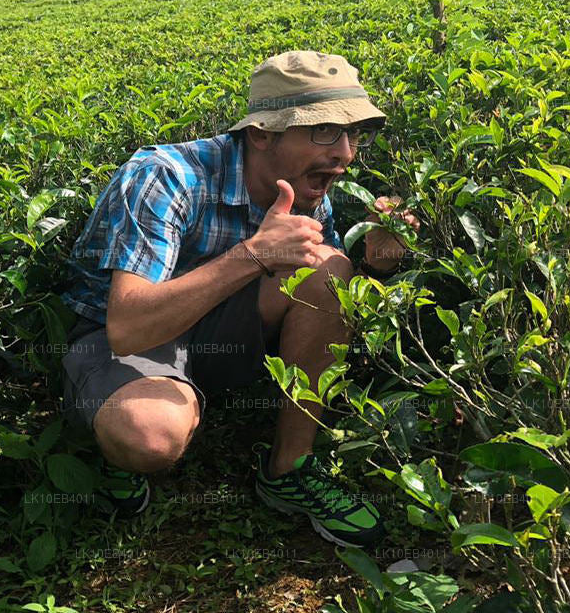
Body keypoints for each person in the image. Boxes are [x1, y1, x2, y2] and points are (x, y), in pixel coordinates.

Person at [59, 50, 419, 548]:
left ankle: (288, 470)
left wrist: (377, 265)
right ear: (262, 134)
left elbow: (321, 297)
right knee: (150, 435)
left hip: (215, 332)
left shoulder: (308, 186)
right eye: (323, 131)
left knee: (330, 269)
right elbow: (128, 327)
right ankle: (113, 444)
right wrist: (252, 255)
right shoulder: (166, 176)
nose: (345, 154)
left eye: (352, 134)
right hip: (121, 340)